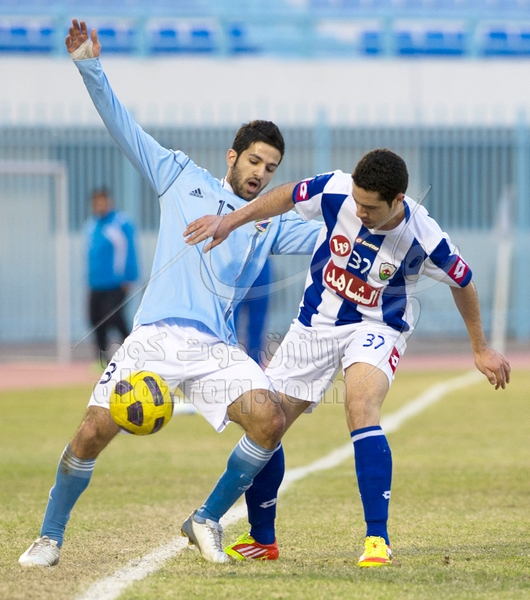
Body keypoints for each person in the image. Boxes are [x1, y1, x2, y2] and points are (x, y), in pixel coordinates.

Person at [18, 19, 321, 567]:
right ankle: (49, 537)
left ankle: (205, 519)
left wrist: (386, 229)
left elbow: (330, 240)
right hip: (154, 336)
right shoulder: (180, 176)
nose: (261, 173)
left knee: (270, 420)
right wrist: (89, 67)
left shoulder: (269, 222)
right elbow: (125, 127)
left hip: (215, 349)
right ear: (232, 157)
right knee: (91, 432)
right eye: (254, 161)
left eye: (271, 168)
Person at [184, 148, 511, 566]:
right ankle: (263, 539)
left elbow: (462, 281)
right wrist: (231, 220)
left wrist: (480, 347)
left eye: (370, 207)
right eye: (357, 202)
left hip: (378, 326)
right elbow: (287, 195)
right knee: (269, 421)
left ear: (397, 200)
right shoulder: (337, 190)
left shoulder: (425, 237)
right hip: (316, 323)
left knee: (360, 406)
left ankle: (377, 539)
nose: (359, 211)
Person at [86, 189, 138, 365]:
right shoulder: (91, 225)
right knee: (95, 319)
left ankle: (133, 353)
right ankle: (102, 360)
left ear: (109, 202)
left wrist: (129, 277)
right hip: (96, 283)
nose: (99, 206)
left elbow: (130, 251)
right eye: (96, 202)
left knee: (114, 317)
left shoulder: (121, 223)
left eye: (103, 201)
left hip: (116, 283)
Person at [234, 258, 273, 367]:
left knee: (257, 321)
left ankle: (256, 363)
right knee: (230, 322)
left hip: (260, 262)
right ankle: (228, 363)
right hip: (235, 263)